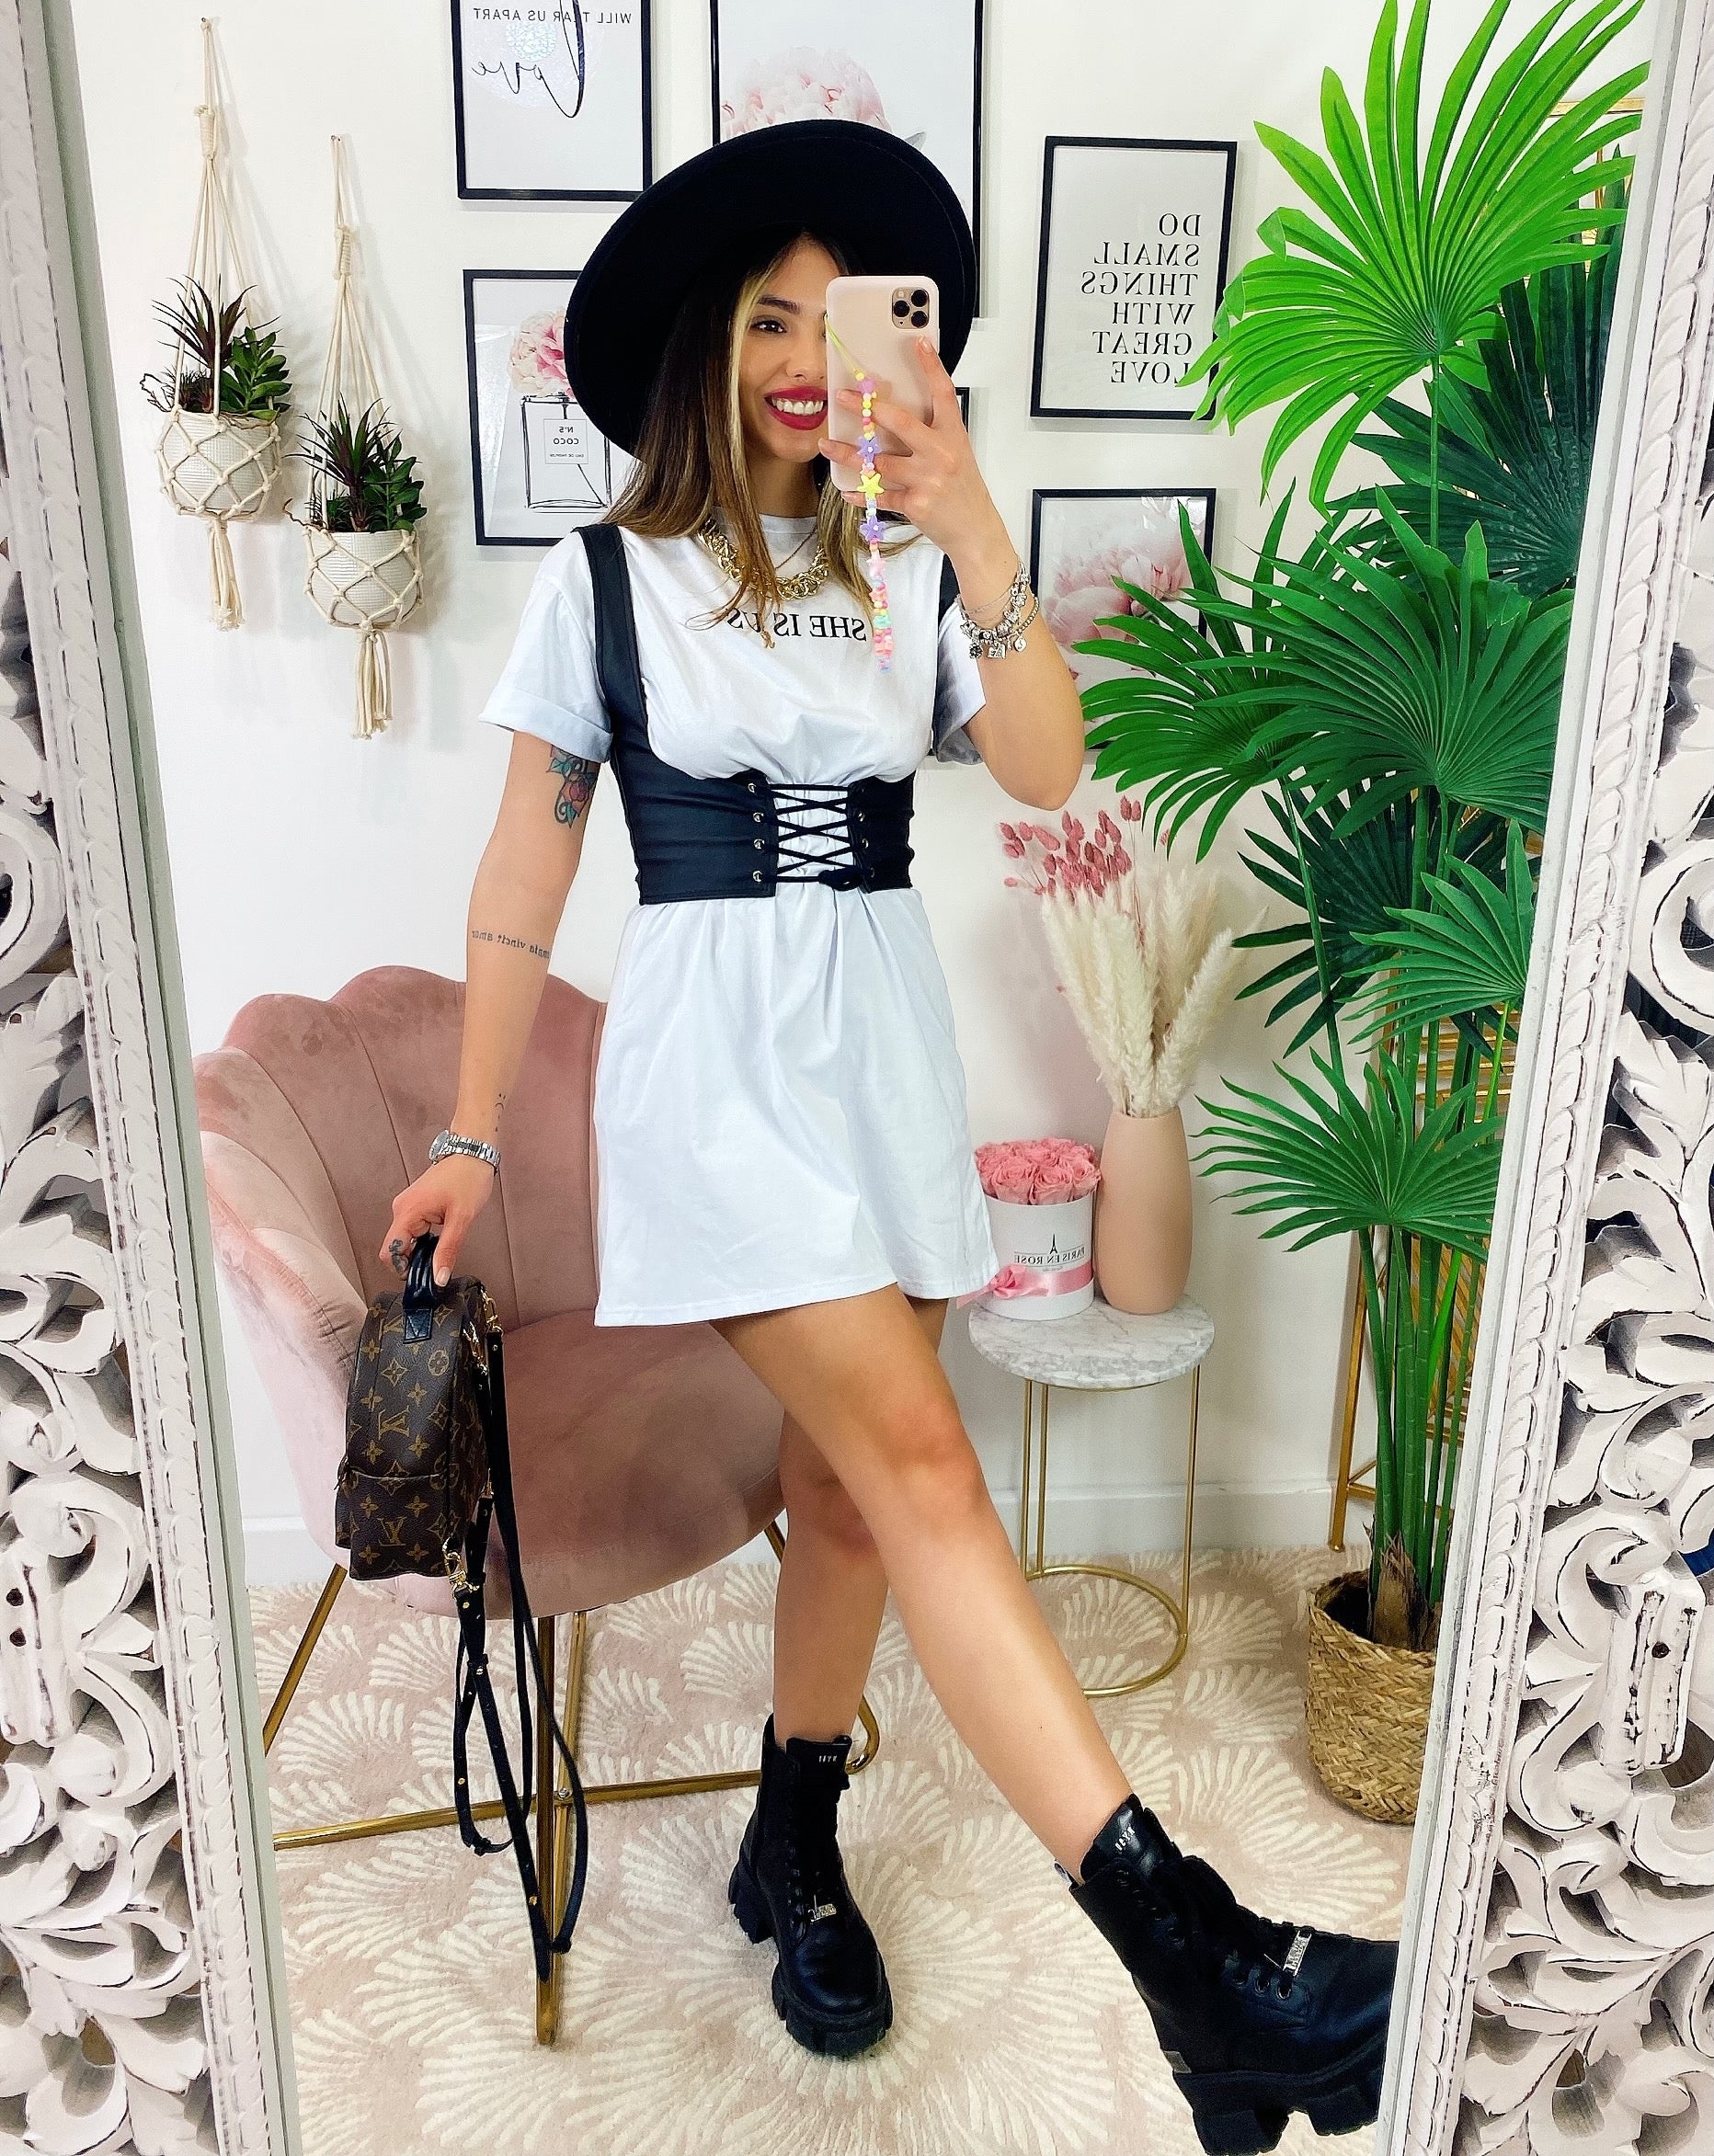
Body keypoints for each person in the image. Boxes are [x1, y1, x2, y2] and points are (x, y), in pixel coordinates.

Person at [382, 120, 1394, 2150]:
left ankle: (791, 1841)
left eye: (833, 320)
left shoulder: (907, 573)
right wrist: (474, 1131)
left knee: (848, 1498)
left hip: (881, 1069)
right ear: (702, 343)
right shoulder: (604, 583)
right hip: (716, 1086)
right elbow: (523, 867)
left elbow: (1048, 770)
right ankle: (1197, 1960)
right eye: (765, 319)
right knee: (926, 1466)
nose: (797, 358)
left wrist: (975, 522)